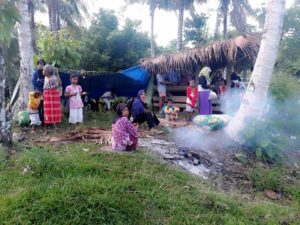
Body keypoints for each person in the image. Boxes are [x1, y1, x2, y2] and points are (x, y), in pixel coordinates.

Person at [43, 64, 62, 133]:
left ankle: (56, 127)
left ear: (48, 71)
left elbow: (60, 83)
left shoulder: (54, 77)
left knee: (55, 110)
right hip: (47, 96)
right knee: (47, 111)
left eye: (44, 70)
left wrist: (57, 73)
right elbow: (45, 87)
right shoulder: (45, 78)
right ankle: (46, 129)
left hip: (54, 96)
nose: (43, 71)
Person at [32, 59, 46, 123]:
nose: (40, 65)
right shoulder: (35, 73)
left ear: (44, 65)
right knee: (38, 106)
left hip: (45, 92)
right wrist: (41, 83)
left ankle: (43, 120)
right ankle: (38, 120)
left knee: (44, 106)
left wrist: (42, 82)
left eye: (42, 64)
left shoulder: (45, 73)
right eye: (39, 64)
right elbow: (34, 82)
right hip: (38, 91)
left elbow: (48, 82)